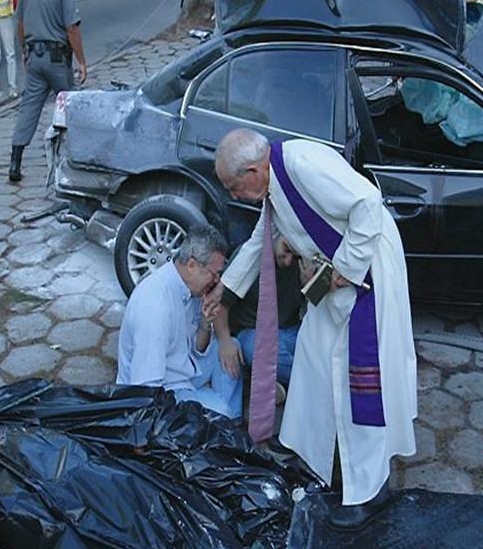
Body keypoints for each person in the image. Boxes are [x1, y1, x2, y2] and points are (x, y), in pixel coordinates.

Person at [208, 129, 417, 528]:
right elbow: (260, 239)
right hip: (334, 279)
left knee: (361, 383)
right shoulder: (271, 183)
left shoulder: (301, 164)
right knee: (314, 364)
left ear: (253, 169)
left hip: (368, 275)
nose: (234, 196)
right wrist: (226, 292)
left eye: (235, 187)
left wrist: (346, 266)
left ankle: (371, 490)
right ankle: (324, 464)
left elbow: (368, 203)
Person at [117, 225, 243, 419]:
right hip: (166, 388)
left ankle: (225, 419)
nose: (217, 281)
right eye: (214, 274)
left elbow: (196, 349)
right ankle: (224, 419)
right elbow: (145, 386)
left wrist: (204, 323)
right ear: (192, 265)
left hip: (183, 371)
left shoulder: (190, 288)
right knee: (222, 412)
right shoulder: (155, 305)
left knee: (231, 346)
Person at [10, 0, 86, 183]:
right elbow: (71, 29)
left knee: (29, 107)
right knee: (68, 106)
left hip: (34, 57)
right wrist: (82, 62)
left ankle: (15, 161)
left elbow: (20, 25)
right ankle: (76, 158)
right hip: (56, 59)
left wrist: (24, 50)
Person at [215, 237, 307, 389]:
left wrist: (308, 285)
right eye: (286, 252)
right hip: (252, 330)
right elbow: (220, 303)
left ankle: (281, 383)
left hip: (289, 329)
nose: (288, 261)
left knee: (317, 346)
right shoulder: (250, 256)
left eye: (294, 255)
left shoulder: (303, 257)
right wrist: (225, 341)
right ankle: (310, 386)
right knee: (258, 351)